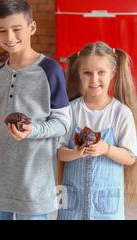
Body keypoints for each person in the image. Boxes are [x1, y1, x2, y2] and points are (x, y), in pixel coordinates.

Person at [0, 0, 71, 220]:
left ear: (32, 27)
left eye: (17, 29)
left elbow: (63, 123)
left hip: (34, 187)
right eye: (2, 30)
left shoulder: (51, 70)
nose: (9, 37)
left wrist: (32, 130)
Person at [57, 42, 137, 220]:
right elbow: (58, 153)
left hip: (107, 206)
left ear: (113, 74)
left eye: (101, 72)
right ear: (79, 74)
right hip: (70, 202)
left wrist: (106, 149)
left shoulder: (121, 113)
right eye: (87, 73)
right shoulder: (69, 110)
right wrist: (75, 153)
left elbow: (130, 157)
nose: (94, 79)